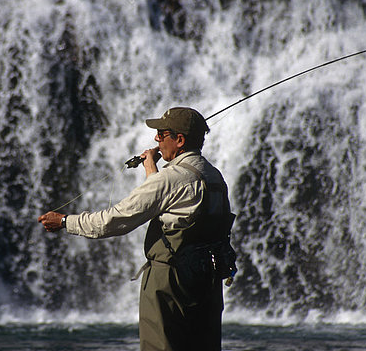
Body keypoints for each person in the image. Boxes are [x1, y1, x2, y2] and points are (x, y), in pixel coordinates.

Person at [38, 107, 236, 351]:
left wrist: (65, 222)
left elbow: (114, 220)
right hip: (206, 280)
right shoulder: (214, 176)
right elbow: (170, 203)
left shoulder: (169, 180)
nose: (156, 139)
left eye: (162, 134)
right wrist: (151, 169)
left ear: (180, 140)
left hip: (169, 283)